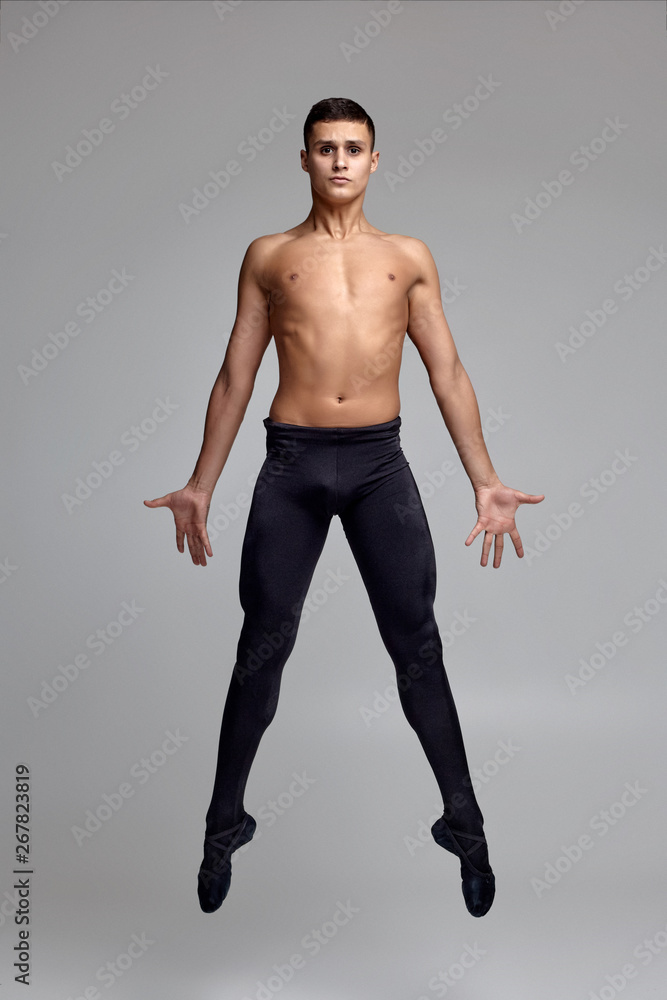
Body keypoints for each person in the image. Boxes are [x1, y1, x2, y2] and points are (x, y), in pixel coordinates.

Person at [145, 98, 544, 918]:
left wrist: (484, 478)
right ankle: (222, 827)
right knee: (260, 648)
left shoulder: (407, 257)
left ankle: (466, 830)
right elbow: (236, 374)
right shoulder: (269, 255)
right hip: (291, 464)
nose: (337, 161)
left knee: (417, 649)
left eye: (352, 148)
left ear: (373, 161)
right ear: (303, 159)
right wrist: (200, 483)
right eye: (323, 148)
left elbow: (446, 371)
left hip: (376, 467)